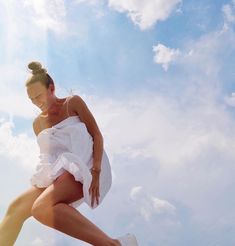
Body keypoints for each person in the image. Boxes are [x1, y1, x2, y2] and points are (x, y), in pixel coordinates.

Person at [0, 61, 138, 246]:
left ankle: (113, 245)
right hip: (57, 170)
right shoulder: (37, 124)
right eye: (32, 99)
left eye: (39, 95)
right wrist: (43, 181)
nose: (37, 102)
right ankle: (118, 244)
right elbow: (48, 157)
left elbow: (96, 135)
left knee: (41, 208)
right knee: (15, 209)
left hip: (87, 166)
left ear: (51, 88)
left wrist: (96, 171)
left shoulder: (72, 103)